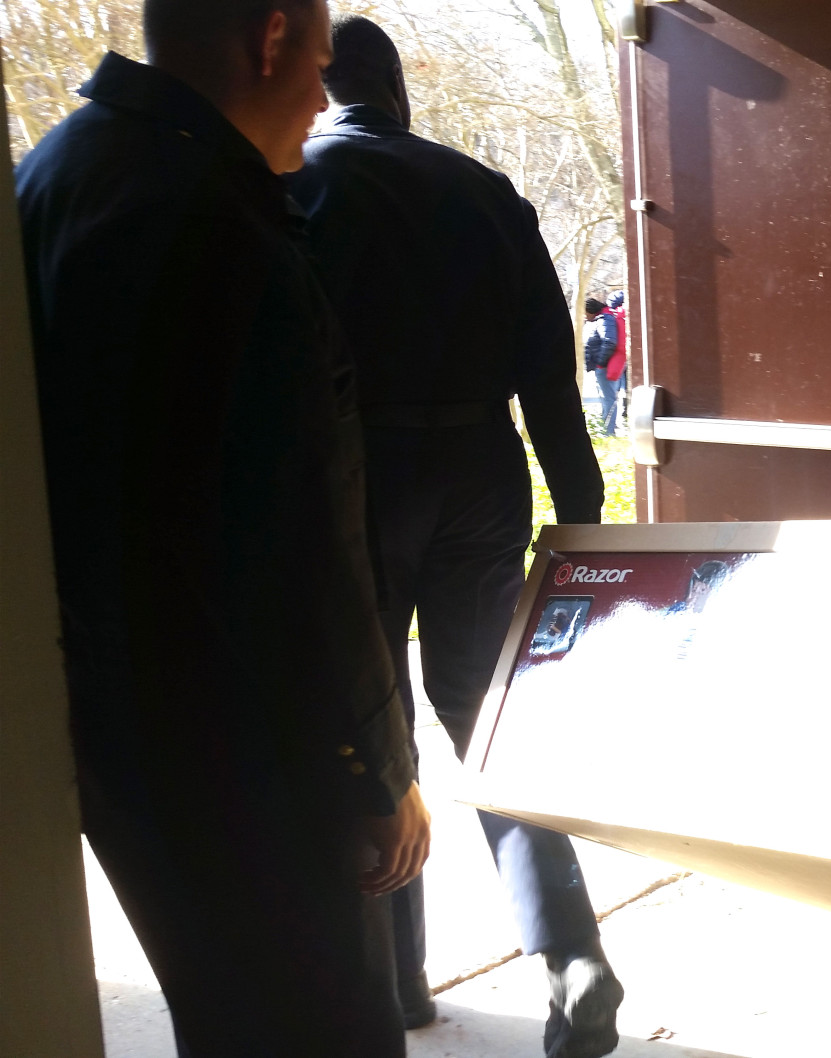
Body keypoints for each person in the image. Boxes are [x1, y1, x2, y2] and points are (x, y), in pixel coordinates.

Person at [15, 0, 431, 1053]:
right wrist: (374, 769)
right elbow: (297, 540)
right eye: (323, 63)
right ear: (272, 38)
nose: (322, 99)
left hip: (123, 734)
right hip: (255, 754)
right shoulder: (217, 220)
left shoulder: (55, 173)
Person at [286, 18, 621, 1057]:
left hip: (363, 480)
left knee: (366, 721)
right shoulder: (484, 192)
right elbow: (551, 379)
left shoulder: (296, 191)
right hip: (481, 471)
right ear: (398, 90)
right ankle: (572, 956)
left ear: (325, 86)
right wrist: (575, 516)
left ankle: (397, 983)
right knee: (486, 717)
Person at [584, 296, 622, 436]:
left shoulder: (605, 319)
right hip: (604, 366)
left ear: (590, 310)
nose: (584, 316)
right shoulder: (603, 319)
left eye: (585, 313)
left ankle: (609, 432)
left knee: (608, 399)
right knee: (606, 398)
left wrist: (600, 362)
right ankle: (606, 430)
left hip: (605, 367)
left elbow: (609, 341)